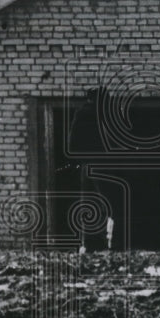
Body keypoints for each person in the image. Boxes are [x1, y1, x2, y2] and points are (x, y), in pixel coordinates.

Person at [68, 88, 118, 249]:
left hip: (87, 166)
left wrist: (83, 160)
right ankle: (109, 245)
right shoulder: (108, 116)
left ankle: (88, 245)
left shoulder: (81, 114)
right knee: (110, 205)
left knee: (88, 205)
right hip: (104, 166)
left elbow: (72, 145)